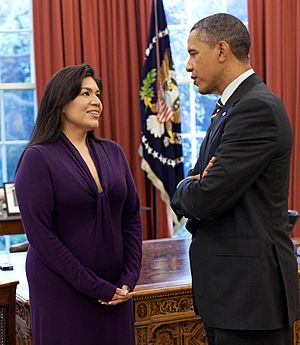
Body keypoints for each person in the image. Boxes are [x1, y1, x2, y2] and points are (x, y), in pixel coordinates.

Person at [171, 13, 298, 345]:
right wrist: (191, 183)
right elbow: (197, 179)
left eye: (193, 53)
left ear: (222, 50)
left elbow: (205, 197)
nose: (187, 66)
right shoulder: (230, 107)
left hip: (250, 300)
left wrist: (187, 188)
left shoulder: (255, 108)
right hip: (234, 298)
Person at [14, 64, 142, 345]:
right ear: (61, 102)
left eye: (98, 94)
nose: (97, 101)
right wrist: (94, 285)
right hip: (63, 291)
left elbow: (131, 217)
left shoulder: (113, 152)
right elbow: (41, 237)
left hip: (116, 291)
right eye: (86, 93)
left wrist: (128, 278)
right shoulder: (37, 159)